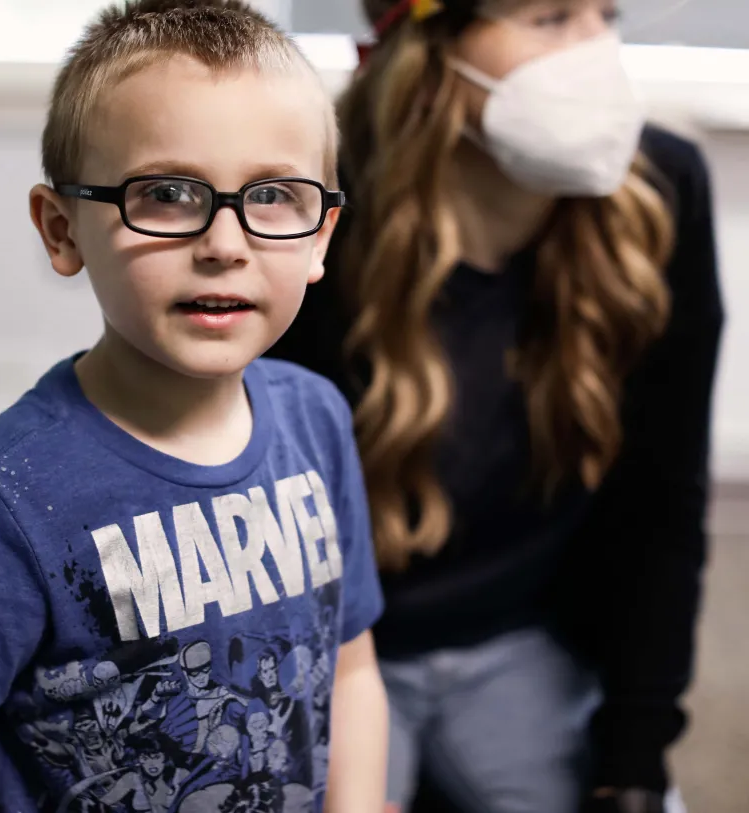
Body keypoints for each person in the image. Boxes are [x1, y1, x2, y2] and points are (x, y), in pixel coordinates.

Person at [0, 2, 389, 812]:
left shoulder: (316, 419)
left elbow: (349, 663)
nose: (224, 242)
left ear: (321, 237)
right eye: (169, 194)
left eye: (274, 194)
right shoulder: (5, 496)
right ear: (62, 229)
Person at [266, 1, 725, 812]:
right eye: (549, 17)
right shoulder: (307, 218)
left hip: (527, 639)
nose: (594, 51)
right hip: (335, 650)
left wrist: (634, 761)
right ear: (429, 48)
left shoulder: (663, 192)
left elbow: (661, 509)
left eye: (606, 14)